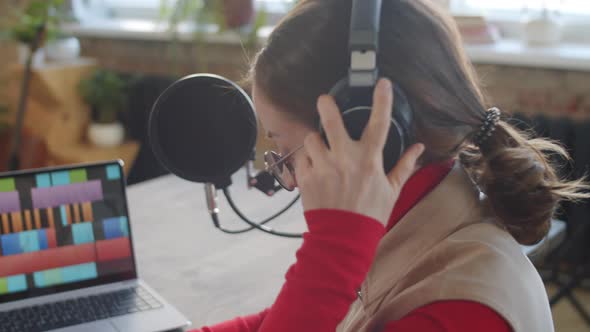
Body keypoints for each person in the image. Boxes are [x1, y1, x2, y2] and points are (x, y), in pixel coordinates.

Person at [193, 0, 589, 331]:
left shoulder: (457, 313)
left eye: (285, 156)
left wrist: (332, 249)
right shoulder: (415, 221)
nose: (290, 182)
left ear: (359, 130)